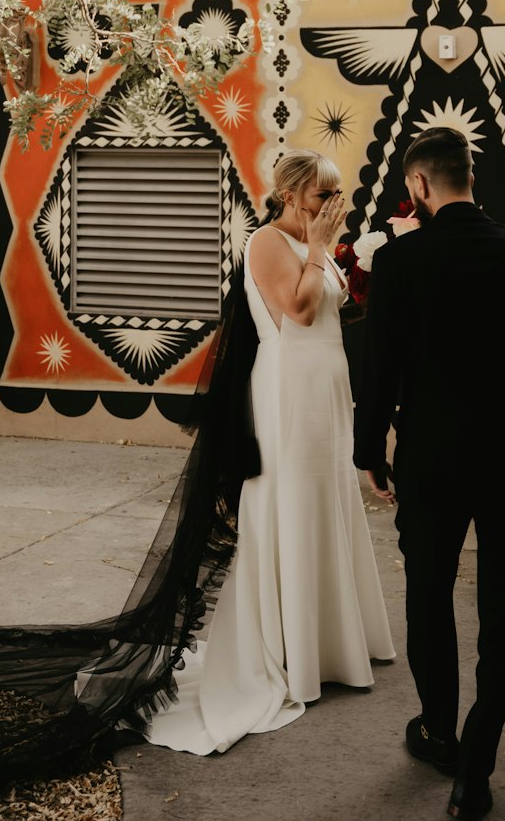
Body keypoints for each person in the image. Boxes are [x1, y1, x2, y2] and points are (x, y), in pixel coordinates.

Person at [147, 148, 395, 753]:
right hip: (287, 390)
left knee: (326, 503)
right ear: (290, 196)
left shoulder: (317, 243)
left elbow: (344, 310)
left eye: (335, 196)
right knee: (290, 504)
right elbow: (300, 311)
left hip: (327, 390)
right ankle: (289, 650)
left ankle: (334, 641)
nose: (331, 208)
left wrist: (368, 261)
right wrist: (320, 248)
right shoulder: (267, 242)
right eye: (321, 197)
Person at [353, 127, 505, 821]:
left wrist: (369, 453)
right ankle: (476, 774)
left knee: (428, 593)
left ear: (418, 184)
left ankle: (439, 731)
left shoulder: (402, 261)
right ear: (471, 176)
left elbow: (379, 371)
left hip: (433, 459)